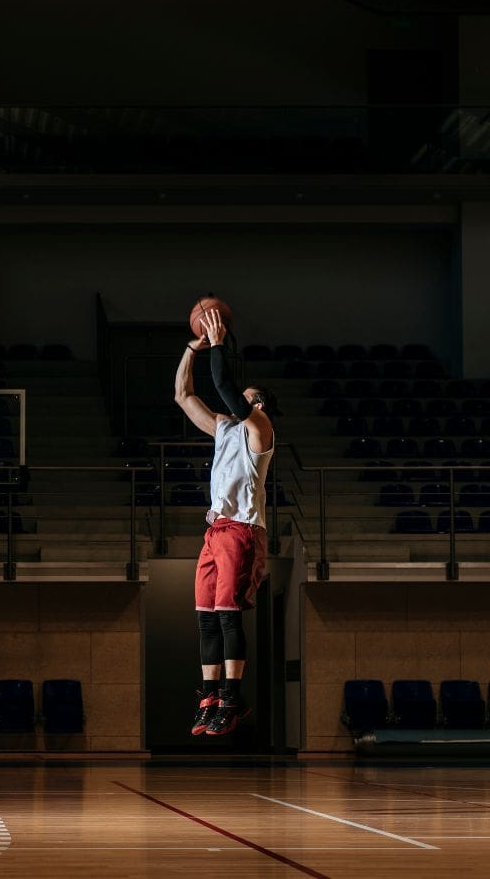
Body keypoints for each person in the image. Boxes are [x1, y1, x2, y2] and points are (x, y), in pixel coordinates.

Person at [173, 308, 279, 737]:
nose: (235, 402)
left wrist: (219, 344)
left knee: (229, 618)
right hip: (214, 533)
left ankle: (234, 701)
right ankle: (210, 695)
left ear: (258, 405)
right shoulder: (223, 428)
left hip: (242, 530)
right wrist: (191, 349)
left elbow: (227, 390)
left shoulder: (260, 430)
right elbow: (183, 395)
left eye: (245, 397)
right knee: (205, 618)